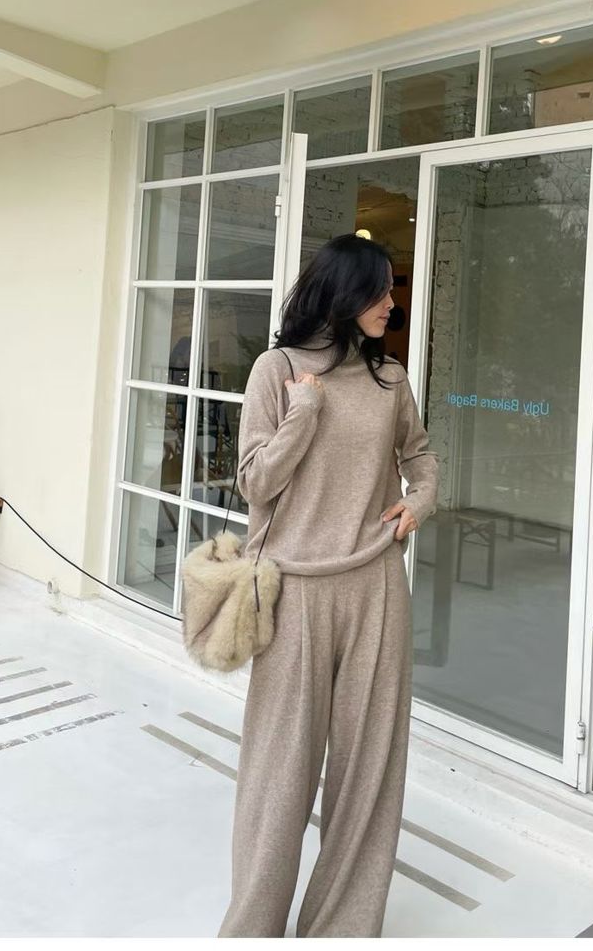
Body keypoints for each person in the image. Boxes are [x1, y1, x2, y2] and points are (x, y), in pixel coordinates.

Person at [217, 234, 439, 938]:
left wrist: (420, 501)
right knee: (280, 770)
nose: (391, 303)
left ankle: (342, 928)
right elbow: (255, 482)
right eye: (380, 291)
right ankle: (252, 928)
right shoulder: (276, 368)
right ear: (342, 294)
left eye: (392, 290)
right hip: (295, 590)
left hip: (376, 584)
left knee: (369, 769)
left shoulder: (389, 377)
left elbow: (420, 456)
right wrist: (304, 411)